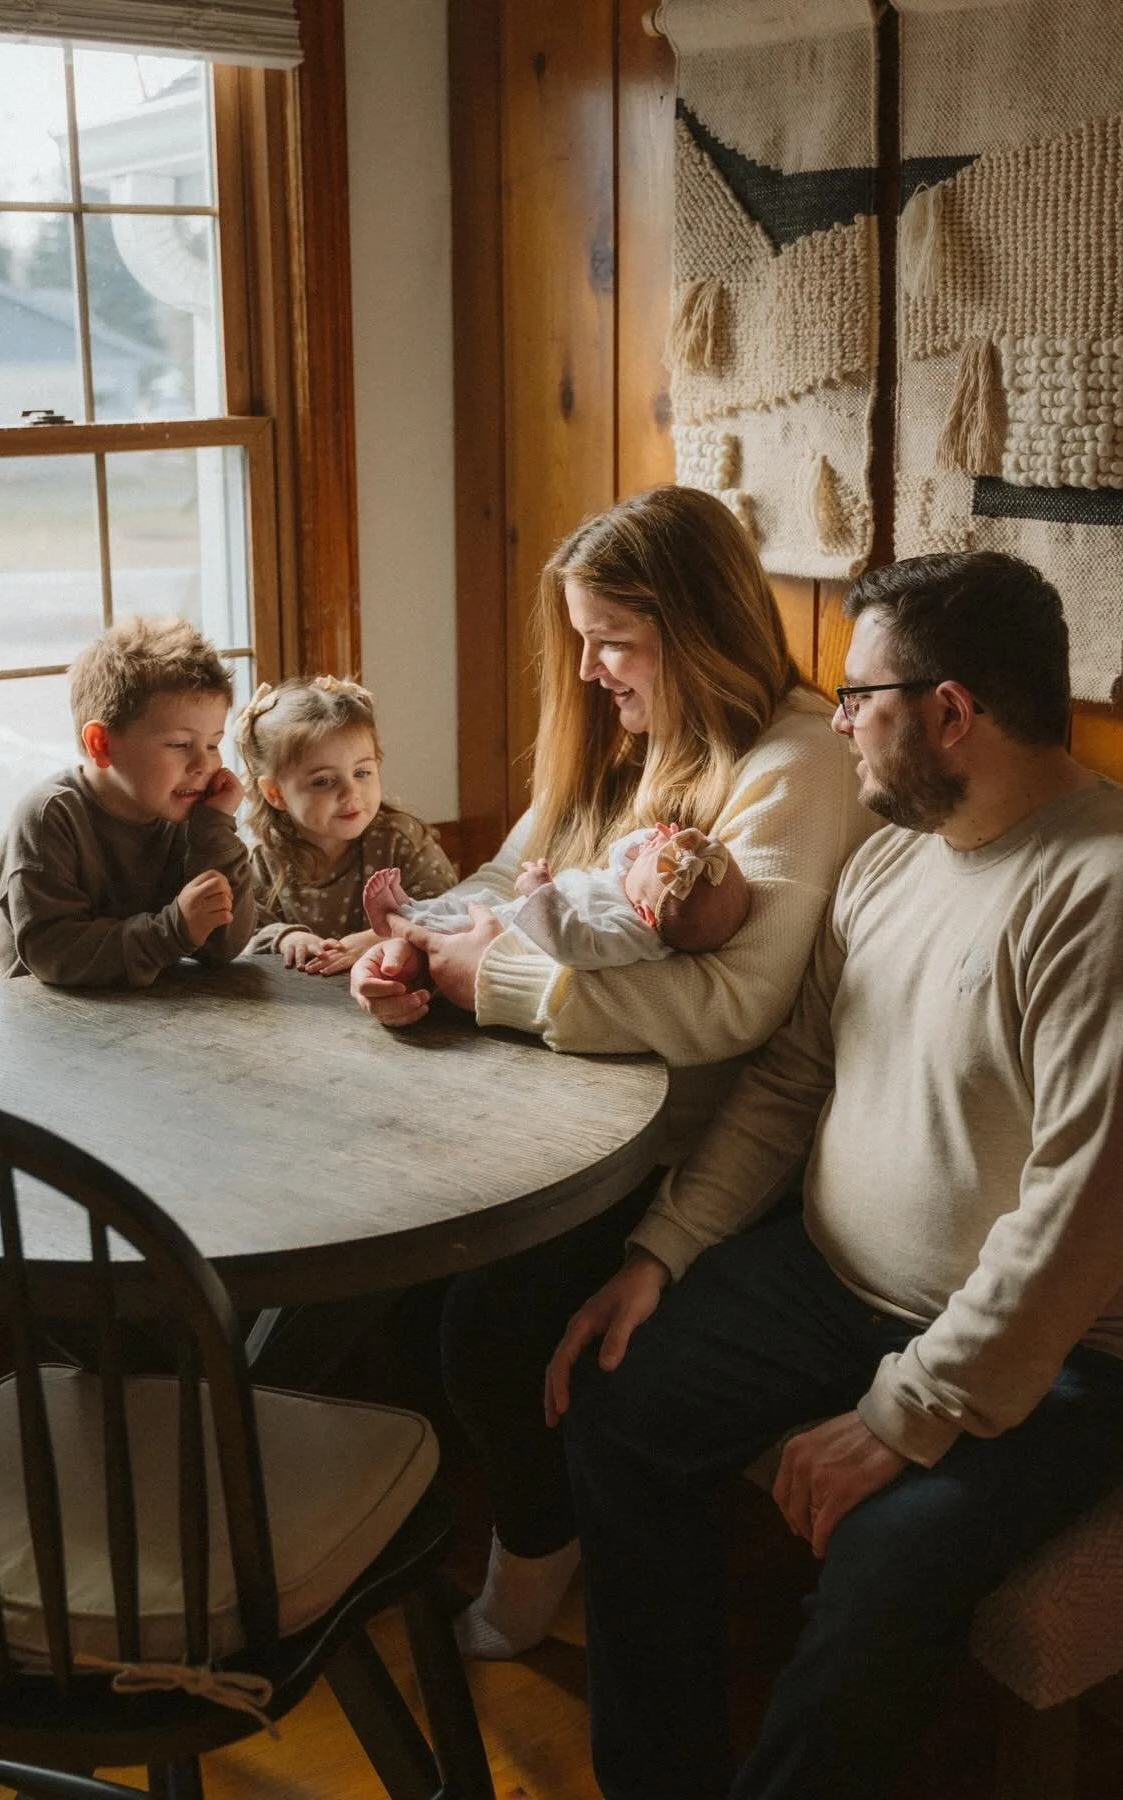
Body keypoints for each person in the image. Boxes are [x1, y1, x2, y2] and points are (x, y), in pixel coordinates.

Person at [546, 550, 1123, 1800]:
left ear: (949, 712)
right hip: (840, 1285)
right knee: (618, 1399)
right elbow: (789, 1083)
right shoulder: (890, 858)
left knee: (884, 1556)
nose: (839, 721)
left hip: (1093, 1348)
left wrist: (905, 1411)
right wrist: (664, 1250)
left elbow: (1083, 1218)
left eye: (860, 693)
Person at [348, 485, 871, 1658]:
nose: (589, 671)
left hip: (683, 1149)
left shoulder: (794, 764)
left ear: (697, 632)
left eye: (614, 644)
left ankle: (538, 1552)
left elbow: (738, 1007)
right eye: (582, 641)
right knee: (389, 1264)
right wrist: (411, 944)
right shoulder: (618, 739)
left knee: (485, 1319)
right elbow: (502, 878)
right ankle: (382, 1536)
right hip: (547, 1111)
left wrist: (499, 985)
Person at [0, 615, 254, 987]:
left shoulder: (188, 814)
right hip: (51, 1027)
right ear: (102, 744)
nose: (205, 764)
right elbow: (55, 953)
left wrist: (214, 829)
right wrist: (172, 930)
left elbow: (222, 947)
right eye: (180, 744)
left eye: (213, 744)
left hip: (150, 1023)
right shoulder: (49, 816)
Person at [236, 675, 455, 973]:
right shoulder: (262, 860)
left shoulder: (400, 841)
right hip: (303, 1006)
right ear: (276, 794)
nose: (350, 793)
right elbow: (243, 933)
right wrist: (287, 937)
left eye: (362, 773)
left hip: (398, 983)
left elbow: (449, 912)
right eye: (324, 781)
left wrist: (377, 938)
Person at [363, 823, 751, 969]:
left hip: (511, 935)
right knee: (477, 896)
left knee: (462, 921)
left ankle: (401, 919)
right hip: (513, 911)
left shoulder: (626, 934)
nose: (653, 842)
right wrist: (646, 846)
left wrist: (541, 892)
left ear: (646, 916)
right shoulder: (642, 894)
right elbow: (621, 858)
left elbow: (573, 945)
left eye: (652, 852)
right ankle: (408, 906)